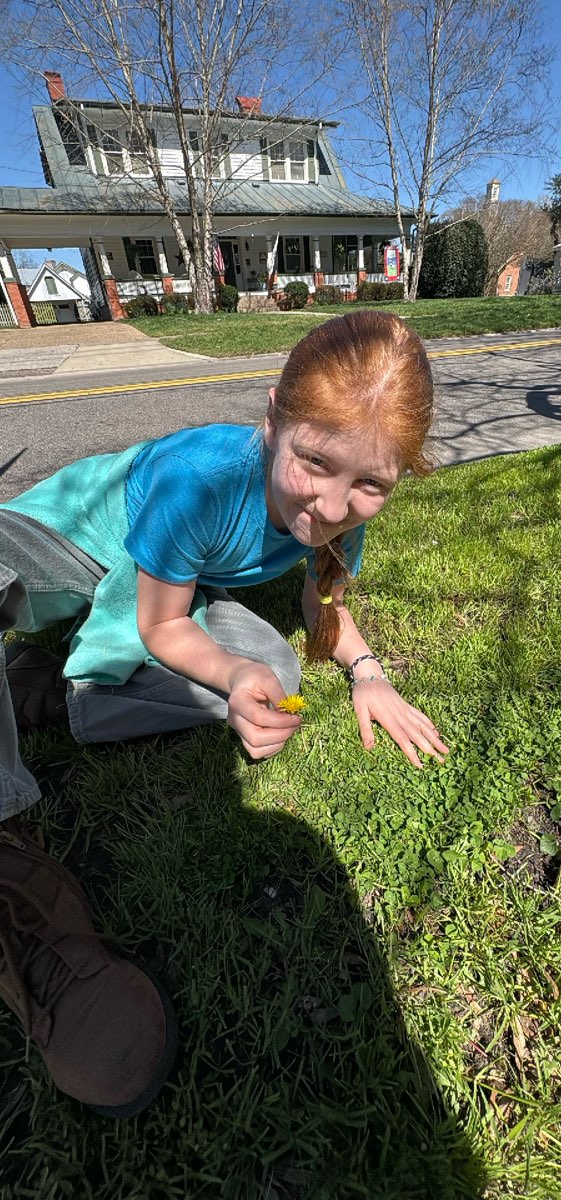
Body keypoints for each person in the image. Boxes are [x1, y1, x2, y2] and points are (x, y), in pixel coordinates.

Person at [0, 309, 448, 1116]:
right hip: (62, 541)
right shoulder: (201, 478)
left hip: (162, 583)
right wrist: (222, 666)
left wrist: (366, 674)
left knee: (274, 669)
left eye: (370, 484)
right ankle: (21, 874)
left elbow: (323, 600)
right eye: (314, 461)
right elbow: (158, 625)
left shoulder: (335, 513)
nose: (333, 505)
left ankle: (46, 691)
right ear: (271, 419)